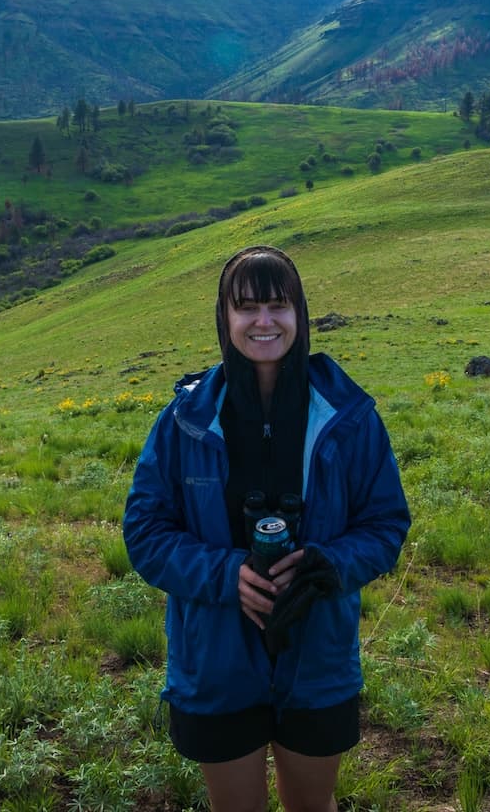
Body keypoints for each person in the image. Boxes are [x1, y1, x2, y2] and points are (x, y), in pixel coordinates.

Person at [123, 245, 410, 812]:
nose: (263, 321)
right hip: (216, 658)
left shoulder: (348, 416)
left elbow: (385, 522)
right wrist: (226, 575)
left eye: (278, 305)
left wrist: (331, 565)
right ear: (223, 318)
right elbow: (145, 531)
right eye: (246, 306)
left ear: (300, 314)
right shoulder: (185, 421)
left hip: (318, 651)